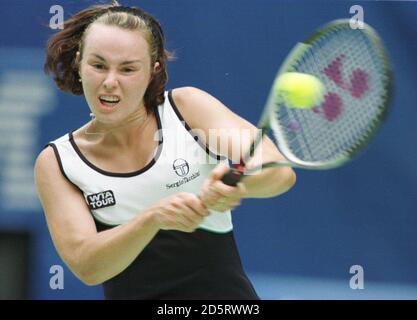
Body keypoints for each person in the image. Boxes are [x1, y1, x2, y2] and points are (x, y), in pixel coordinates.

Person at [35, 0, 296, 300]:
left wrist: (241, 184)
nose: (110, 82)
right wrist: (152, 218)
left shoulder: (186, 109)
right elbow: (88, 266)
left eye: (128, 69)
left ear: (152, 71)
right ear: (79, 63)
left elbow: (279, 172)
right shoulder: (58, 162)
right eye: (98, 65)